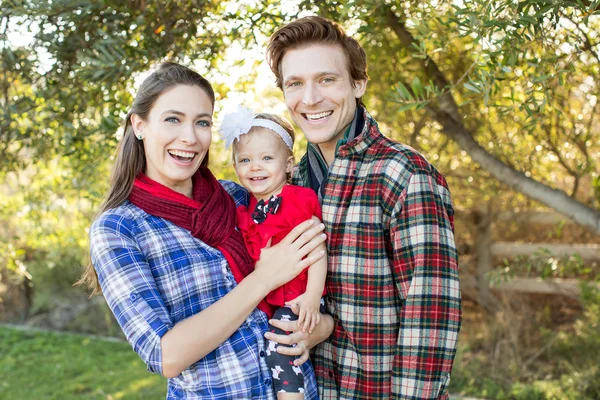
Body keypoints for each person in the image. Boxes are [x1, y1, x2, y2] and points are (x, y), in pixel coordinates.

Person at [79, 62, 334, 400]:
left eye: (201, 122)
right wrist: (263, 280)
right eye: (173, 119)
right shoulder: (119, 228)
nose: (189, 136)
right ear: (139, 125)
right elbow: (164, 355)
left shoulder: (236, 195)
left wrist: (318, 328)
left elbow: (308, 268)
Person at [265, 16, 462, 399]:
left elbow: (429, 320)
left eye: (326, 80)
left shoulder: (403, 174)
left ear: (358, 84)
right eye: (295, 84)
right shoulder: (291, 185)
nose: (309, 99)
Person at [219, 107, 328, 399]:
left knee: (279, 347)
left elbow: (317, 248)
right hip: (276, 299)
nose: (256, 167)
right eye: (245, 160)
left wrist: (313, 296)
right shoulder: (247, 212)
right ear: (235, 166)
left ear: (289, 164)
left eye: (267, 158)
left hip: (303, 295)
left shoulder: (297, 200)